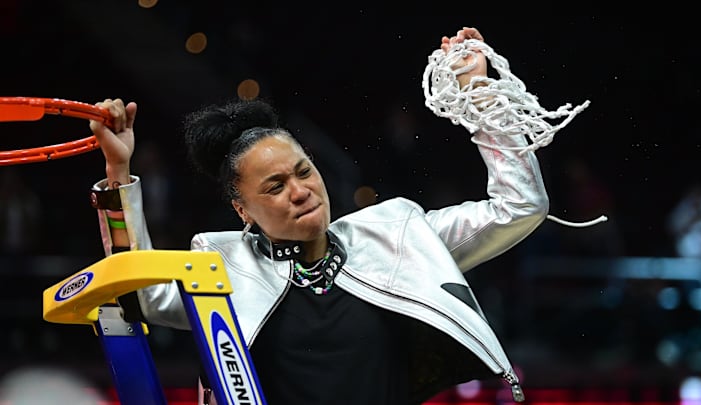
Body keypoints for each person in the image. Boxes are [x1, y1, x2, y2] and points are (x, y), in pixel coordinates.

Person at [87, 27, 559, 404]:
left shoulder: (398, 235)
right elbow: (136, 293)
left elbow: (520, 206)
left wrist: (478, 93)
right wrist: (118, 170)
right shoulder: (219, 268)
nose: (300, 191)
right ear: (242, 210)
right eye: (275, 186)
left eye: (303, 172)